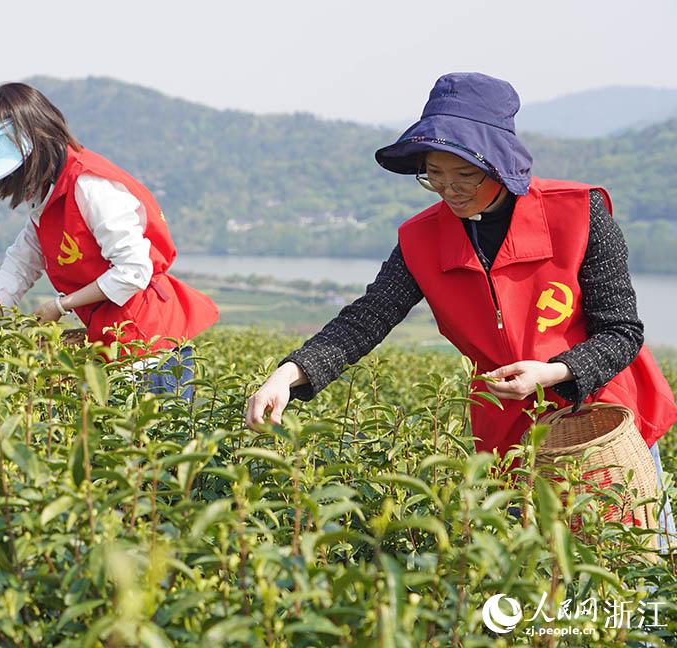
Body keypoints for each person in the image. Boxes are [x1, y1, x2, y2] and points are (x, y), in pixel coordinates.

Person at [245, 73, 677, 541]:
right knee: (530, 566)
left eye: (466, 174)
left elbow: (621, 332)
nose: (449, 189)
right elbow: (367, 318)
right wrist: (286, 375)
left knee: (635, 555)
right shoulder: (422, 238)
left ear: (500, 164)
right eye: (433, 174)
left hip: (598, 417)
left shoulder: (577, 213)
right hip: (508, 429)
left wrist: (553, 372)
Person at [0, 82, 218, 397]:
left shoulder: (89, 185)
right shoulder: (44, 203)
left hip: (152, 350)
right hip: (113, 348)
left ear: (37, 146)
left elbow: (134, 270)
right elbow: (16, 270)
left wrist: (60, 305)